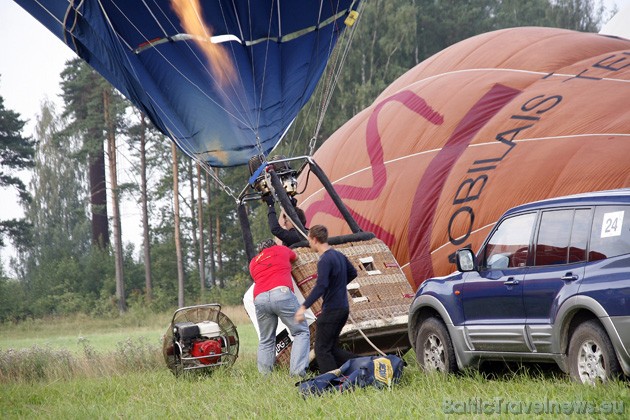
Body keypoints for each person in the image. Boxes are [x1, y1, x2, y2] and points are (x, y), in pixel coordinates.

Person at [294, 225, 358, 373]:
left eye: (309, 239)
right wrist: (338, 285)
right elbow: (353, 272)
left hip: (331, 310)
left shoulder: (324, 260)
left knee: (321, 350)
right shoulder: (339, 256)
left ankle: (332, 383)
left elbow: (321, 285)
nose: (309, 243)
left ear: (315, 239)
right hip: (343, 309)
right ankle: (363, 364)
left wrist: (303, 307)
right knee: (331, 348)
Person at [250, 238, 310, 377]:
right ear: (273, 245)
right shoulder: (281, 250)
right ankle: (297, 373)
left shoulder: (254, 262)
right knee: (301, 332)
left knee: (266, 338)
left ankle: (265, 377)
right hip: (281, 294)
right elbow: (295, 257)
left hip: (260, 298)